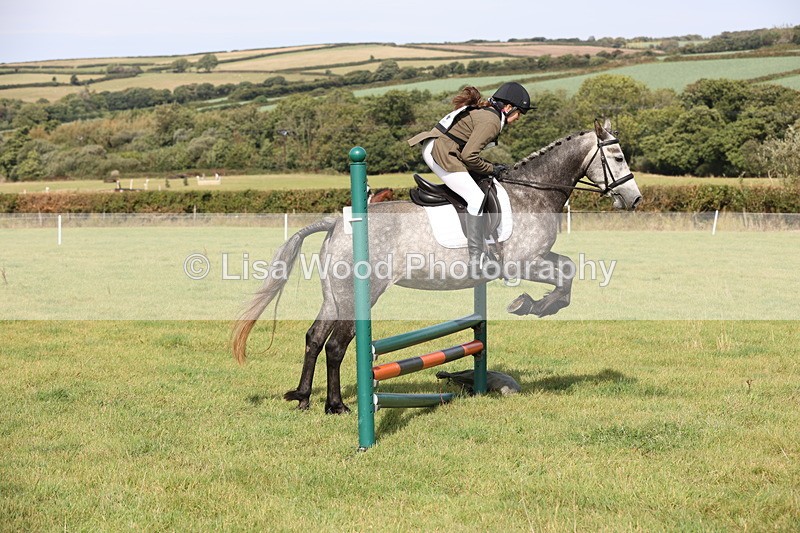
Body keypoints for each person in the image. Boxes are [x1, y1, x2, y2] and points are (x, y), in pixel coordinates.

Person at [407, 82, 533, 275]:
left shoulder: (487, 113)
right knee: (475, 198)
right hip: (442, 152)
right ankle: (476, 258)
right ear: (508, 108)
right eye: (519, 113)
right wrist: (492, 168)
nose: (518, 118)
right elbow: (469, 157)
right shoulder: (491, 121)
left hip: (442, 147)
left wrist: (488, 168)